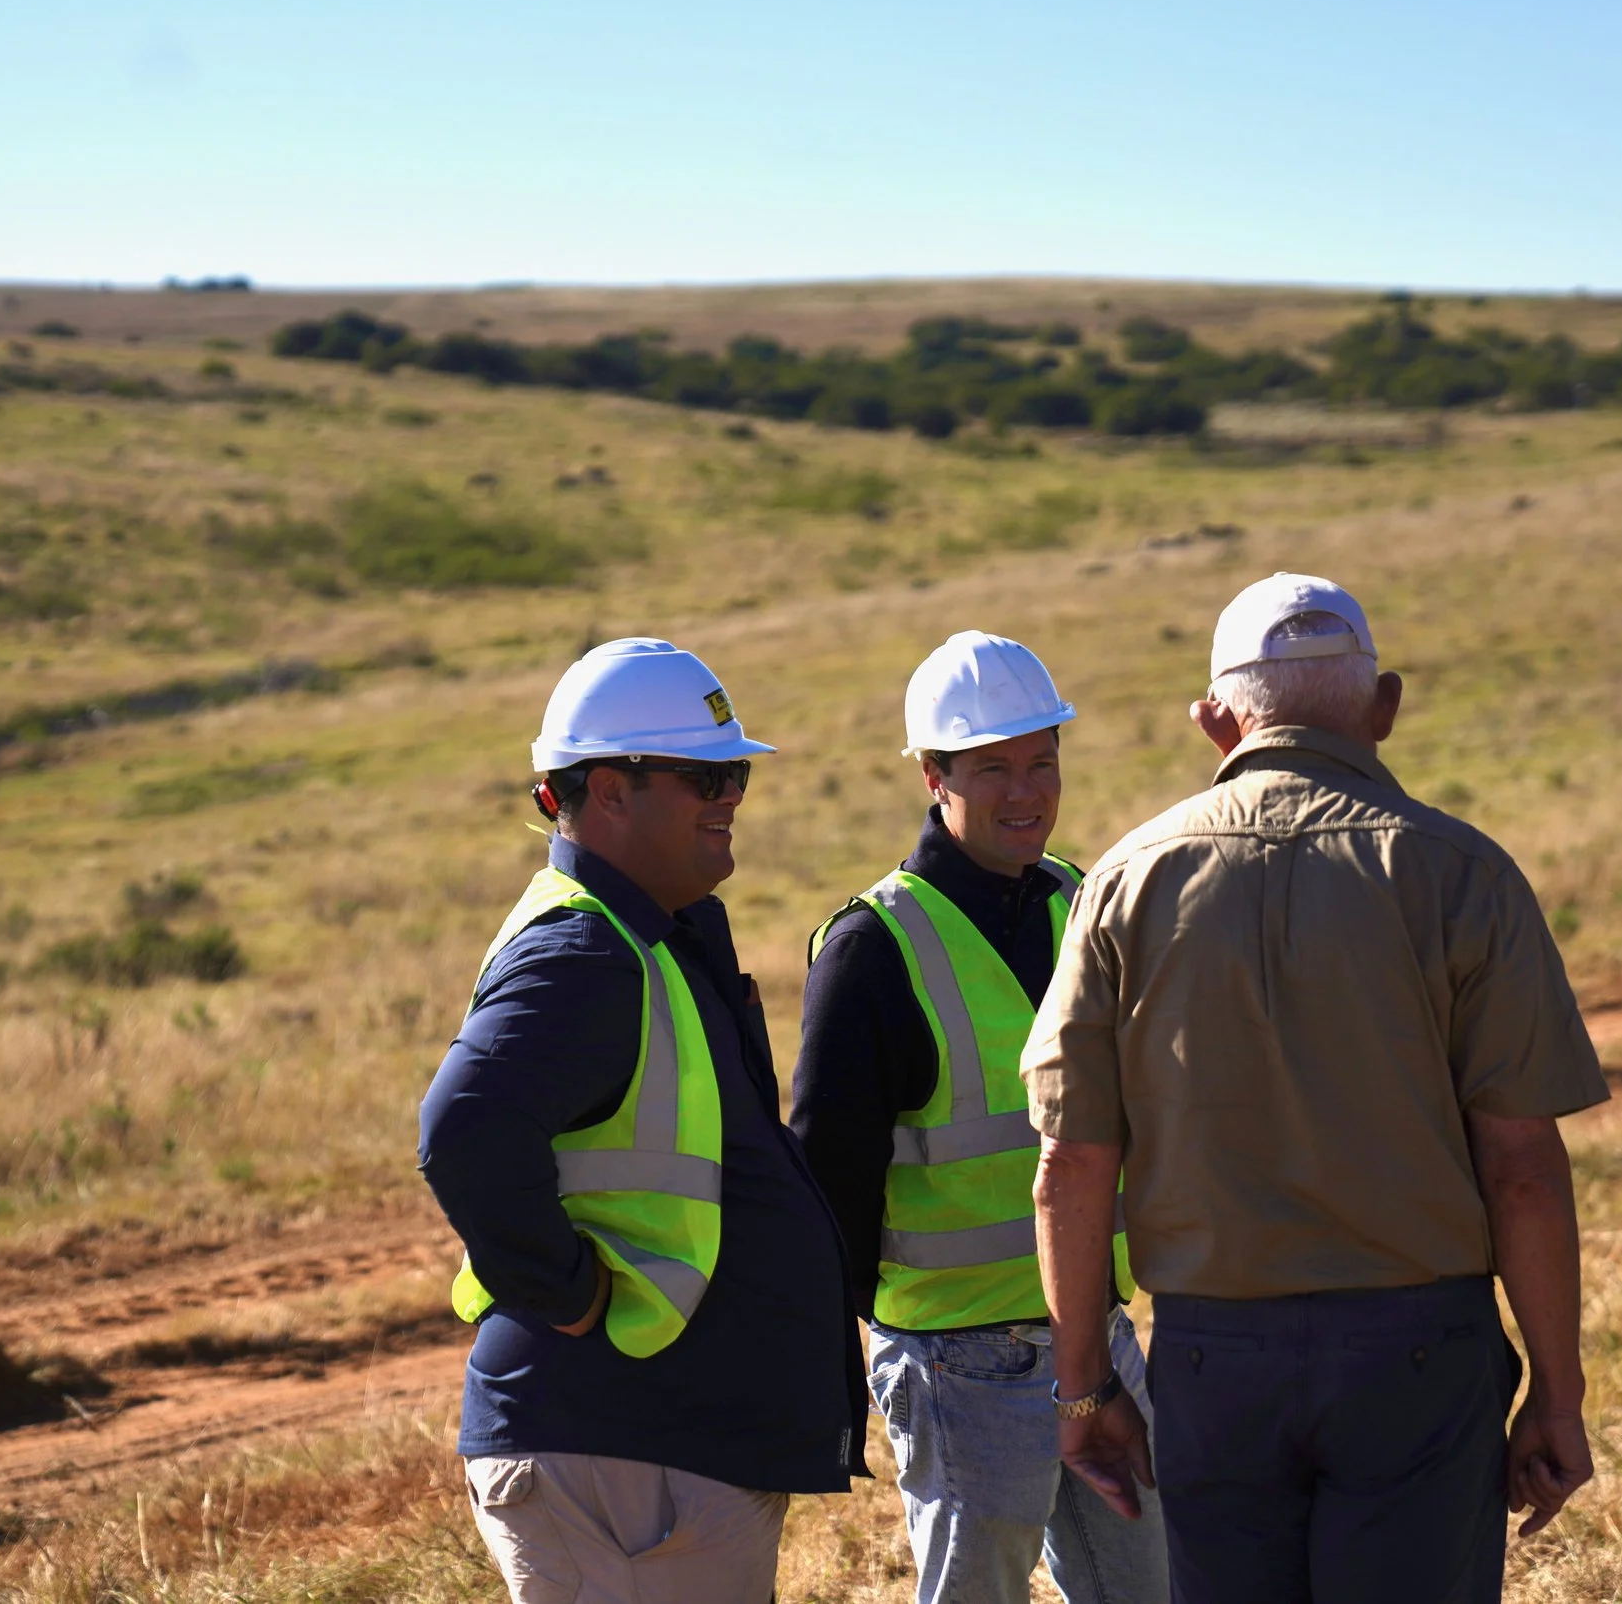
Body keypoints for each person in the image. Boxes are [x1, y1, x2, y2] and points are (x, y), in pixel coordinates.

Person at [1023, 574, 1608, 1604]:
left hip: (1214, 1358)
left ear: (1215, 720)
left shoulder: (1123, 879)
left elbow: (1070, 1161)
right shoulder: (1461, 872)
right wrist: (1556, 1390)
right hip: (1418, 1356)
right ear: (1382, 705)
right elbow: (1521, 1166)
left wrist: (1083, 1389)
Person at [418, 637, 863, 1604]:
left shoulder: (651, 934)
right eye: (705, 776)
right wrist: (570, 1292)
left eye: (735, 773)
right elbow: (463, 1128)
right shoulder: (586, 951)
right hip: (620, 1458)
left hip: (651, 1457)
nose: (731, 797)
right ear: (610, 791)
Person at [792, 630, 1167, 1604]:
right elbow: (827, 1183)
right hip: (960, 1364)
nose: (1026, 790)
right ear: (933, 774)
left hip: (1095, 1335)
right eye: (993, 766)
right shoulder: (872, 948)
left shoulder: (1081, 901)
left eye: (1042, 760)